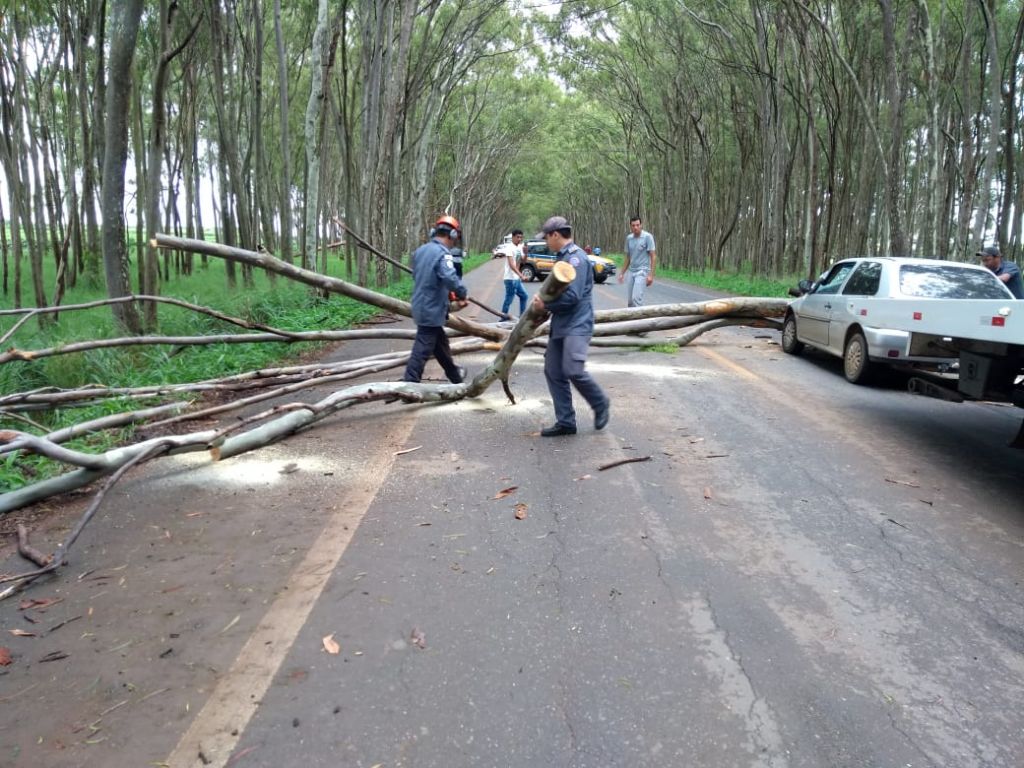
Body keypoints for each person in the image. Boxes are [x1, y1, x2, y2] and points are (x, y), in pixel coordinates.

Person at [532, 215, 610, 437]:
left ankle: (600, 403)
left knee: (573, 369)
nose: (546, 242)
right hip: (561, 323)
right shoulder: (562, 258)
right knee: (553, 370)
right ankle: (566, 421)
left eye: (547, 237)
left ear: (555, 235)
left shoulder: (576, 259)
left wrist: (545, 304)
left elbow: (573, 297)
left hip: (577, 324)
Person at [402, 215, 469, 384]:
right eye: (455, 238)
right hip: (431, 308)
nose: (454, 242)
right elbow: (450, 278)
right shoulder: (442, 253)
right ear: (452, 235)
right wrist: (461, 293)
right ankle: (409, 383)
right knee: (423, 347)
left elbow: (426, 277)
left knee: (440, 344)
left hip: (421, 305)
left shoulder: (420, 251)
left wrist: (449, 294)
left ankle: (455, 375)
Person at [618, 215, 657, 307]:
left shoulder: (647, 237)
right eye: (633, 225)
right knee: (630, 301)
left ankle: (641, 320)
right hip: (632, 271)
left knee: (636, 299)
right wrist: (622, 273)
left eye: (637, 225)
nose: (636, 227)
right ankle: (632, 321)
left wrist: (651, 275)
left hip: (642, 271)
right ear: (630, 226)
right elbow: (628, 257)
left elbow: (653, 256)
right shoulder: (629, 238)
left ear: (641, 225)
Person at [500, 229, 529, 317]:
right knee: (509, 300)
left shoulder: (520, 247)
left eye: (521, 237)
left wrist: (526, 253)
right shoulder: (509, 248)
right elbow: (511, 265)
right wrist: (521, 275)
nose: (519, 239)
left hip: (516, 278)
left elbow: (523, 262)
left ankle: (521, 318)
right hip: (510, 278)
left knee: (524, 296)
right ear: (513, 237)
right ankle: (503, 319)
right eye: (517, 237)